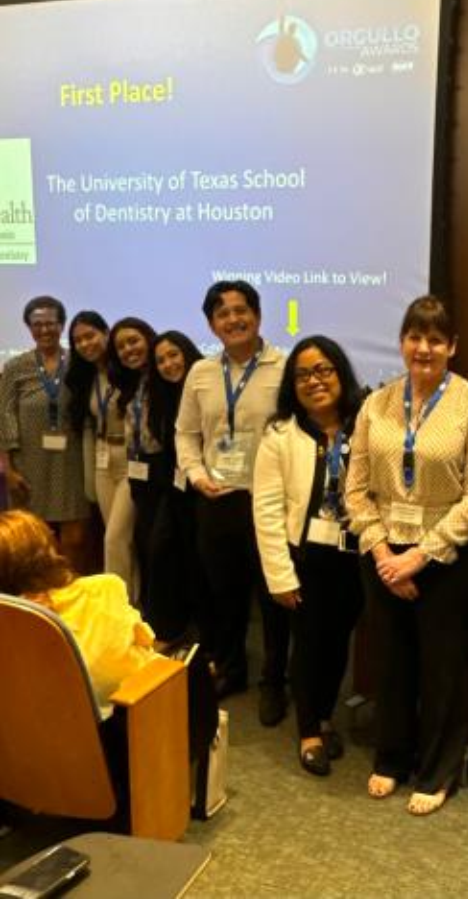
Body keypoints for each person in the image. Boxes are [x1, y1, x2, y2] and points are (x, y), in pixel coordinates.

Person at [345, 295, 468, 815]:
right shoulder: (377, 404)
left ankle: (437, 770)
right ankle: (392, 757)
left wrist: (421, 557)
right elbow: (356, 488)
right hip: (383, 547)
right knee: (391, 664)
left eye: (435, 339)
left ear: (452, 346)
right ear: (402, 342)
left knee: (442, 668)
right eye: (414, 336)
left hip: (448, 557)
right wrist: (385, 553)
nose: (423, 347)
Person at [0, 508, 217, 782]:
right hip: (106, 757)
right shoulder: (103, 591)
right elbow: (120, 667)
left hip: (24, 762)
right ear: (47, 549)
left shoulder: (10, 619)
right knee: (186, 668)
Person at [175, 281, 290, 724]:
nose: (233, 319)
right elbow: (186, 433)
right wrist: (197, 475)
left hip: (268, 502)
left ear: (257, 316)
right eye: (222, 314)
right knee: (225, 595)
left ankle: (274, 682)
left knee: (273, 596)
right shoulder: (202, 373)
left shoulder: (283, 367)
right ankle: (232, 668)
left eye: (241, 310)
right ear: (211, 324)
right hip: (216, 498)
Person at [253, 336, 364, 777]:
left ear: (340, 373)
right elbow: (265, 510)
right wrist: (280, 576)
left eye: (324, 370)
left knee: (339, 645)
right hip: (303, 559)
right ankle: (308, 732)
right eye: (303, 374)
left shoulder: (365, 426)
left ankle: (324, 716)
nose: (314, 381)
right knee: (308, 646)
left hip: (352, 556)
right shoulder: (280, 434)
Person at [0, 297, 90, 571]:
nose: (44, 330)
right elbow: (5, 414)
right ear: (29, 328)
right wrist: (9, 470)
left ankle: (69, 588)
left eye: (50, 323)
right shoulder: (16, 366)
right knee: (36, 538)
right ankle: (41, 595)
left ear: (61, 325)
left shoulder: (79, 361)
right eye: (37, 324)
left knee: (74, 538)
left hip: (72, 459)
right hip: (29, 462)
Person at [65, 310, 137, 583]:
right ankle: (133, 603)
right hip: (102, 461)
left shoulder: (127, 371)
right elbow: (88, 429)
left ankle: (117, 606)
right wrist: (89, 477)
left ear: (106, 333)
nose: (85, 344)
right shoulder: (87, 378)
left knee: (114, 538)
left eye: (90, 336)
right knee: (119, 539)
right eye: (78, 340)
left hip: (132, 461)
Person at [145, 331, 205, 644]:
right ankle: (167, 629)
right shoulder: (162, 397)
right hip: (177, 490)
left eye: (173, 355)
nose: (168, 365)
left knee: (199, 561)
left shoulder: (207, 387)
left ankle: (201, 630)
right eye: (160, 360)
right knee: (163, 552)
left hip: (207, 488)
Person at [109, 317, 159, 610]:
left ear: (148, 338)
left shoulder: (163, 375)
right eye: (121, 346)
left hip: (164, 471)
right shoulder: (131, 383)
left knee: (154, 546)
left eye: (133, 341)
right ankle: (131, 608)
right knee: (133, 541)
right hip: (137, 468)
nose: (128, 350)